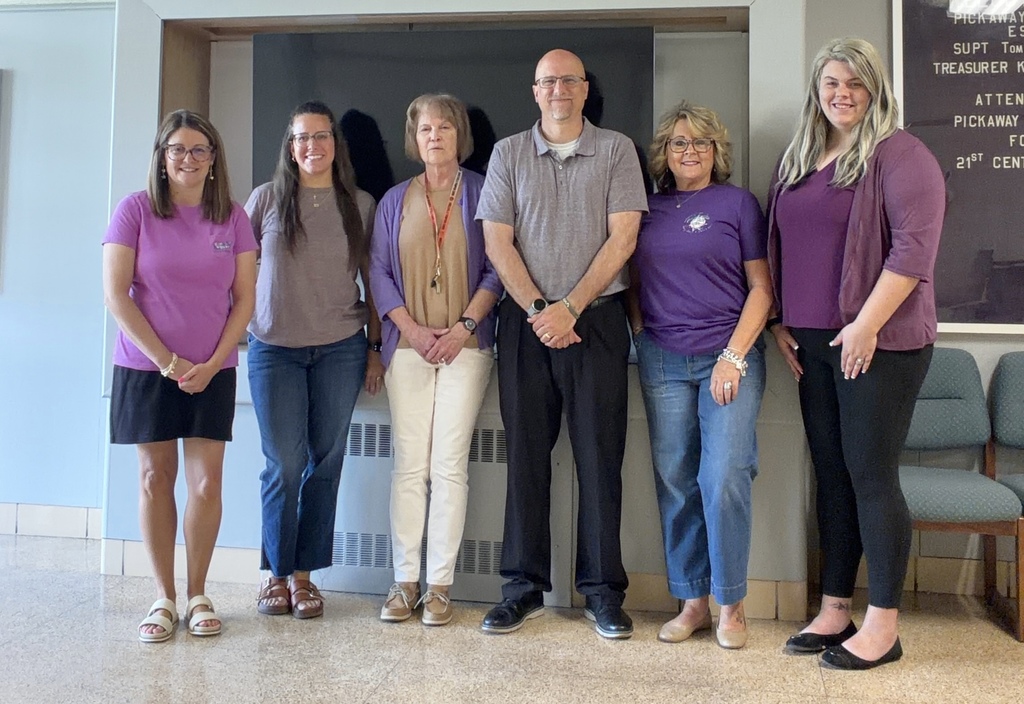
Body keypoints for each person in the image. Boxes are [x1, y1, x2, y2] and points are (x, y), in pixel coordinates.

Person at [768, 38, 944, 669]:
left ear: (876, 89)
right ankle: (835, 608)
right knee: (834, 476)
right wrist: (780, 324)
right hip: (811, 346)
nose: (841, 93)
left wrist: (866, 326)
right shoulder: (802, 157)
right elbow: (786, 248)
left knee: (871, 477)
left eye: (855, 83)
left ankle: (884, 626)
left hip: (880, 345)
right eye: (831, 83)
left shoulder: (902, 155)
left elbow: (912, 256)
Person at [477, 48, 648, 639]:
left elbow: (623, 237)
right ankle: (521, 589)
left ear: (583, 88)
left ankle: (602, 592)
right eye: (547, 82)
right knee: (525, 457)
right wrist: (540, 311)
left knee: (600, 459)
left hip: (596, 324)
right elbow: (498, 242)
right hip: (526, 325)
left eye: (567, 81)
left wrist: (570, 307)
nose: (557, 90)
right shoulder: (507, 154)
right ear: (535, 91)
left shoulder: (618, 149)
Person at [103, 109, 258, 642]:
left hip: (212, 369)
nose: (188, 159)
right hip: (146, 368)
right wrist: (168, 362)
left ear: (213, 160)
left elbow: (245, 300)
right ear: (162, 159)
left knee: (207, 483)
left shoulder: (234, 217)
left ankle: (197, 594)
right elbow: (116, 296)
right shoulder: (134, 211)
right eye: (177, 150)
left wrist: (215, 361)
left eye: (199, 150)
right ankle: (163, 598)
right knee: (153, 478)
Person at [626, 102, 771, 649]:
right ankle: (692, 602)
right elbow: (633, 283)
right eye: (680, 143)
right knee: (675, 480)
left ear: (717, 152)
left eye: (702, 143)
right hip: (662, 360)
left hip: (728, 357)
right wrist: (641, 334)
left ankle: (729, 604)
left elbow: (762, 287)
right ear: (665, 152)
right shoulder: (646, 211)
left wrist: (734, 355)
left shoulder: (737, 204)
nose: (691, 152)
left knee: (725, 475)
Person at [246, 101, 382, 619]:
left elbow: (375, 283)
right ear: (290, 146)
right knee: (283, 463)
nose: (312, 146)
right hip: (273, 350)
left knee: (325, 462)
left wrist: (373, 348)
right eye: (302, 137)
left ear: (335, 145)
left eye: (321, 137)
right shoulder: (265, 200)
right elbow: (233, 273)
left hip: (340, 350)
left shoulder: (361, 205)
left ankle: (304, 578)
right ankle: (274, 576)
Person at [370, 94, 502, 626]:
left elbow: (499, 268)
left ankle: (440, 587)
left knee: (449, 467)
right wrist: (412, 330)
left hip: (467, 347)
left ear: (459, 135)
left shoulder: (484, 191)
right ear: (414, 137)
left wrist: (463, 327)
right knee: (410, 467)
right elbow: (376, 271)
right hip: (407, 348)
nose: (435, 136)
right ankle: (404, 584)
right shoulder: (394, 201)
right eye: (425, 128)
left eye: (445, 127)